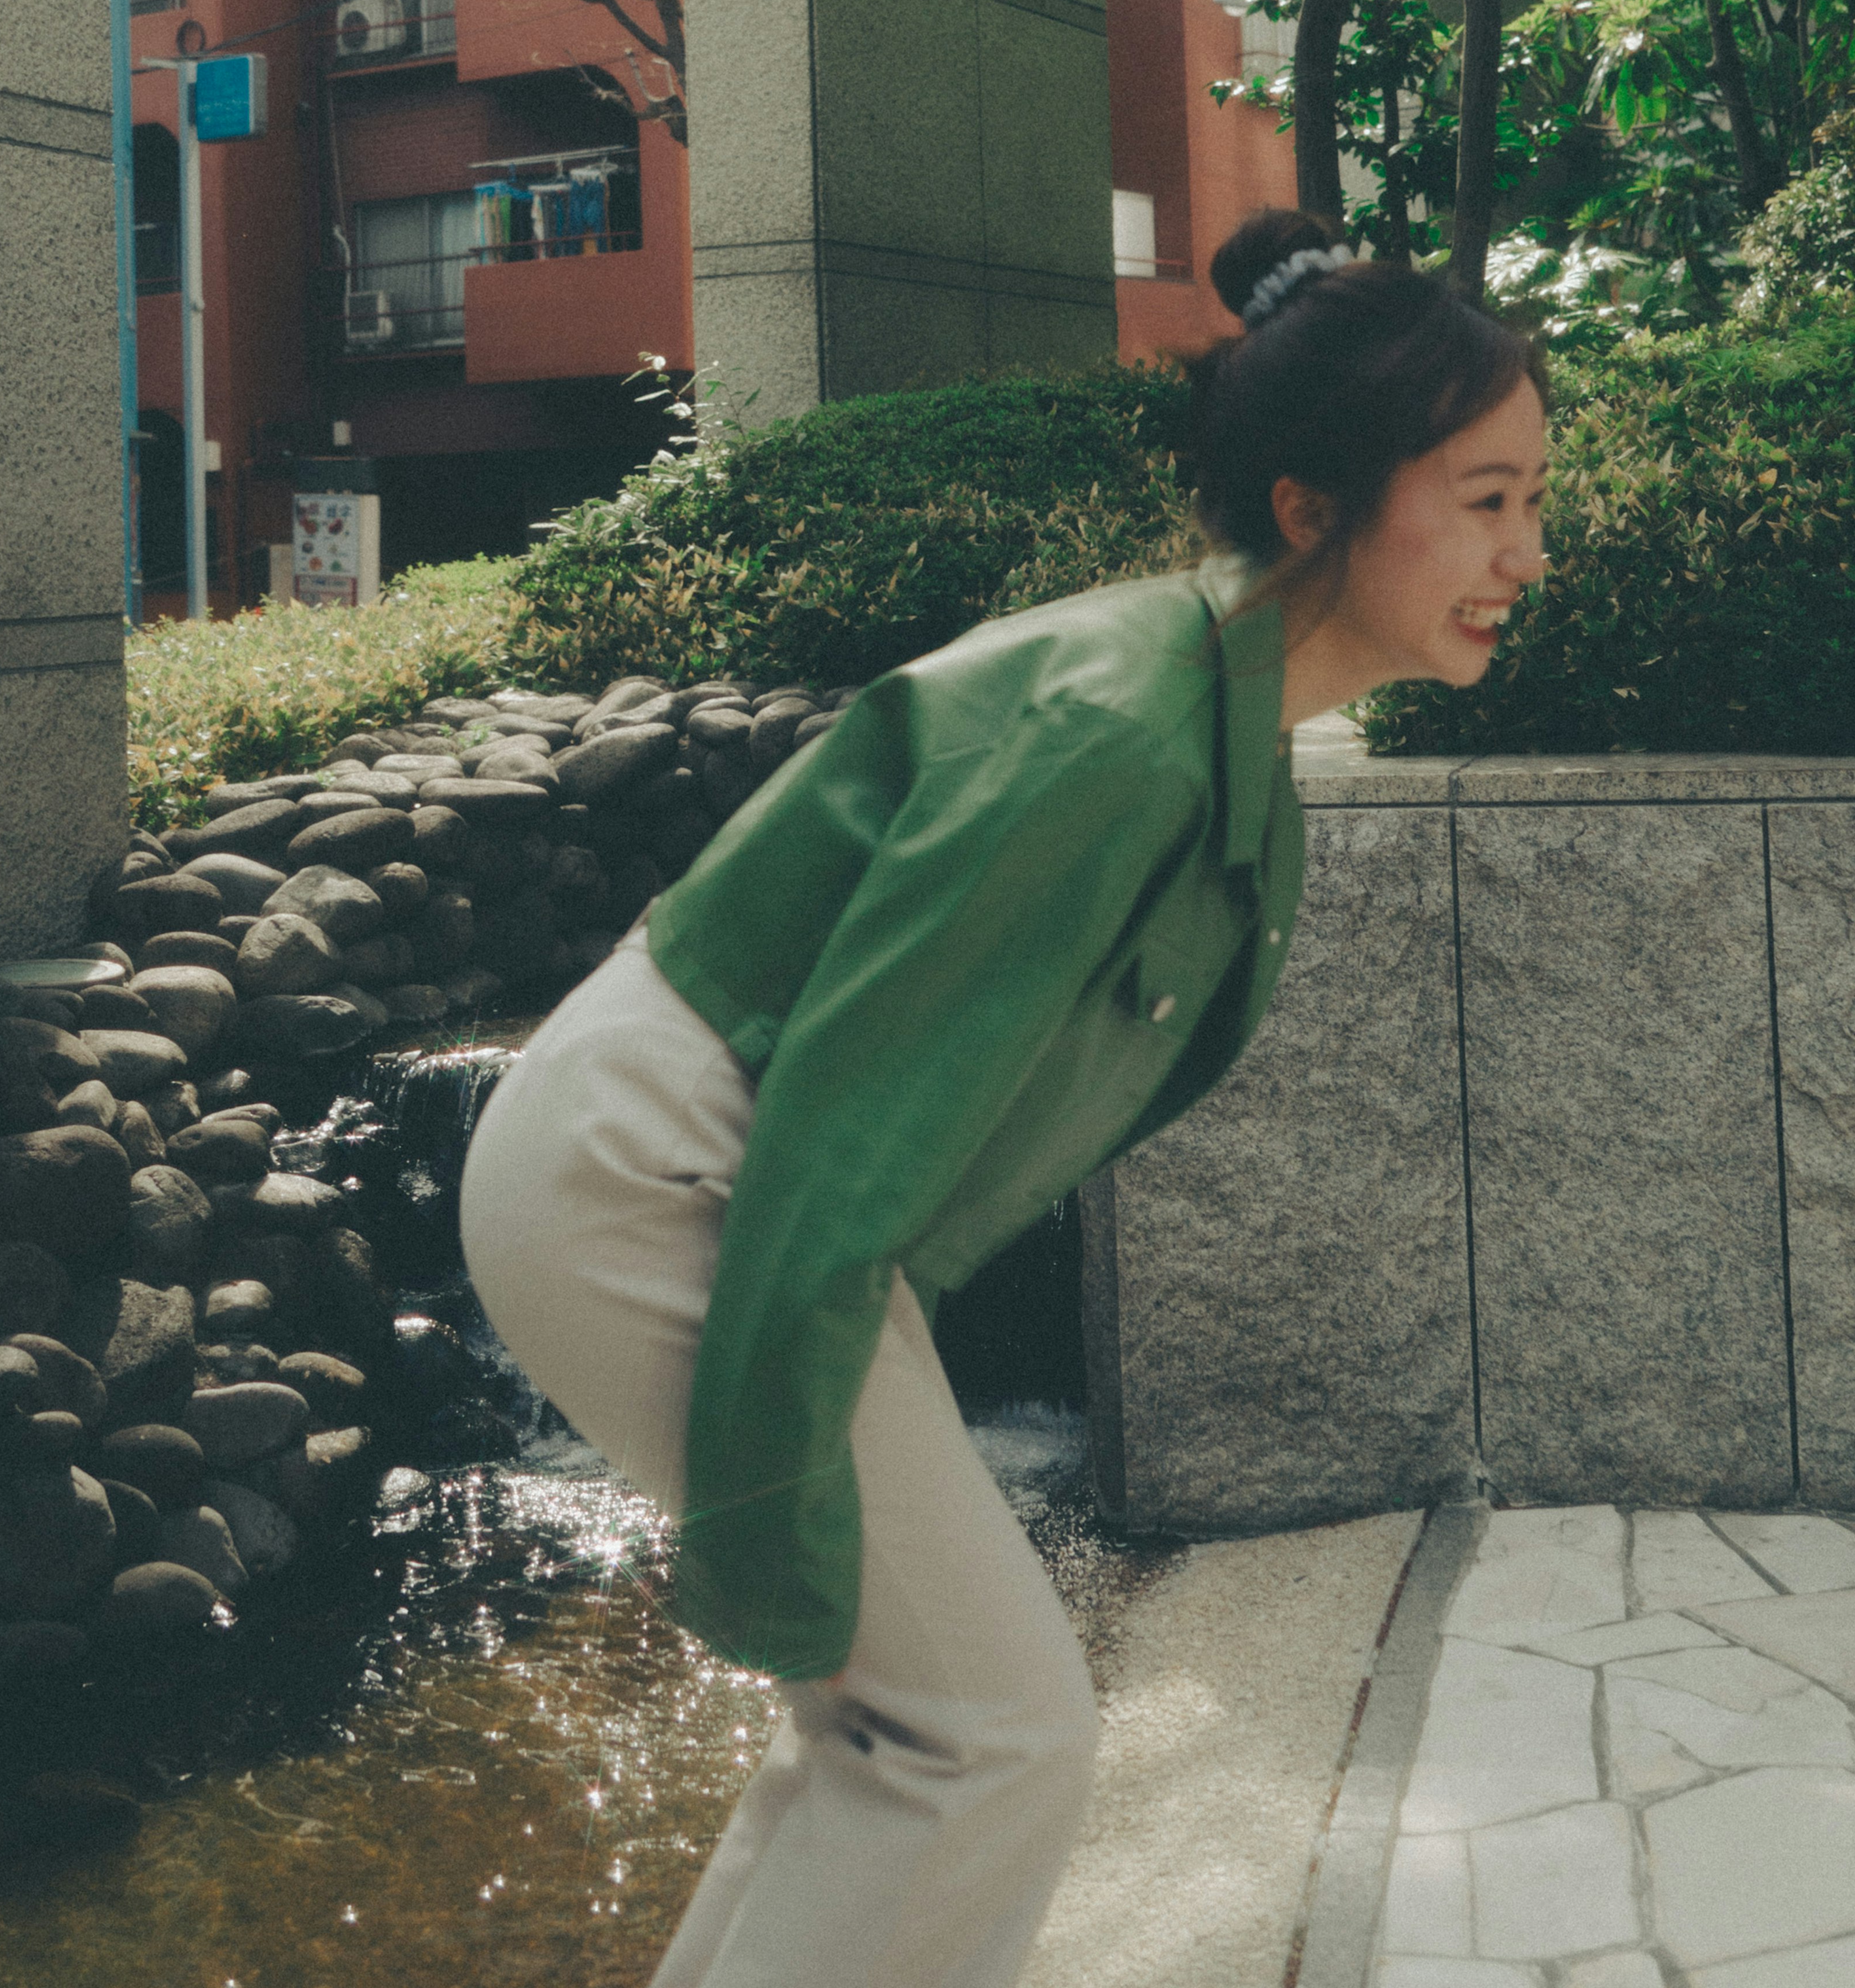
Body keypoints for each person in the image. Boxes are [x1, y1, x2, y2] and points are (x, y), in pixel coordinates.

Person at [458, 206, 1549, 1987]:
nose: (1529, 550)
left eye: (1533, 500)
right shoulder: (1119, 734)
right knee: (989, 1736)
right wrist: (769, 1510)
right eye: (1488, 498)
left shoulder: (1213, 723)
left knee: (903, 1737)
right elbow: (838, 1141)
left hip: (695, 1163)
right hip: (663, 1175)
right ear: (1312, 505)